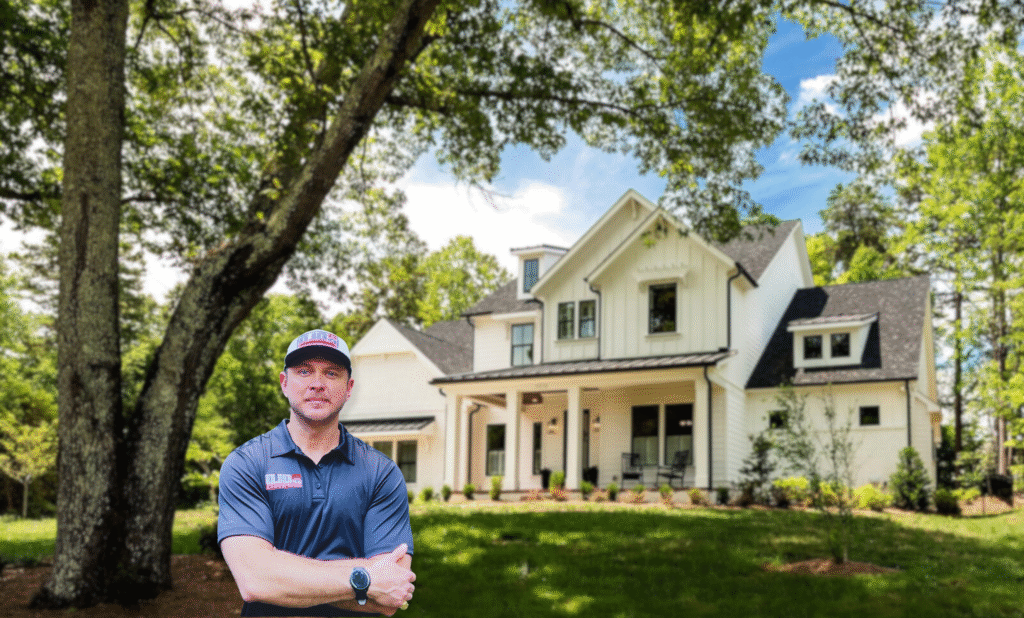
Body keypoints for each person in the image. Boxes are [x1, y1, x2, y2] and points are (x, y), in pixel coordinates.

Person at [218, 329, 416, 617]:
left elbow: (390, 594)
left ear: (349, 388)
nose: (317, 384)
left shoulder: (381, 473)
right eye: (304, 371)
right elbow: (256, 580)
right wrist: (364, 579)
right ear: (285, 383)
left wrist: (282, 575)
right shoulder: (248, 463)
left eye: (331, 373)